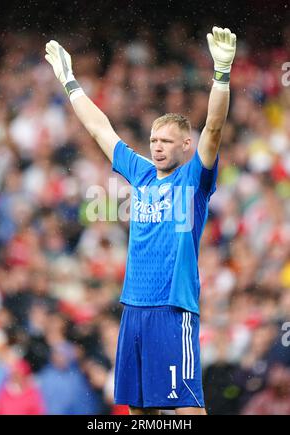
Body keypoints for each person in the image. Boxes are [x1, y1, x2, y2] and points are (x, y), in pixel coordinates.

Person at [45, 26, 236, 415]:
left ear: (186, 145)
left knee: (187, 411)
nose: (157, 146)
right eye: (153, 140)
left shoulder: (194, 179)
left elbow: (213, 128)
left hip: (173, 310)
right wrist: (70, 82)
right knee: (138, 412)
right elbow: (100, 128)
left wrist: (221, 75)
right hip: (134, 309)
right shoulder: (142, 173)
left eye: (166, 141)